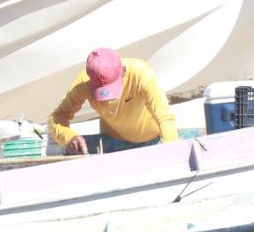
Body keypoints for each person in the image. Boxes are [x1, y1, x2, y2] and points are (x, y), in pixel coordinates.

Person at [49, 47, 178, 155]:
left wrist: (170, 155)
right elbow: (56, 117)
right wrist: (68, 137)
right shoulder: (83, 84)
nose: (108, 98)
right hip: (112, 141)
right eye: (100, 91)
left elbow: (165, 118)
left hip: (153, 138)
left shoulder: (141, 73)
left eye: (112, 88)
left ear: (123, 72)